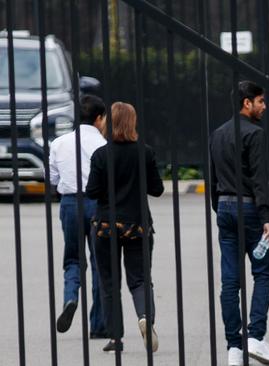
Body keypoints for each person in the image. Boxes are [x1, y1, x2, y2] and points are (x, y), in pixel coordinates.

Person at [86, 102, 164, 353]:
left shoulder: (100, 155)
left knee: (110, 283)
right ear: (132, 122)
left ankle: (115, 337)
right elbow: (157, 189)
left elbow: (92, 191)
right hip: (138, 225)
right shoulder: (146, 152)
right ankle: (144, 316)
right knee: (140, 279)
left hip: (106, 226)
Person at [210, 81, 269, 366]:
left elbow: (212, 178)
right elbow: (260, 180)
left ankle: (234, 348)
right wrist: (266, 217)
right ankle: (255, 337)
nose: (264, 106)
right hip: (249, 208)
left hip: (224, 207)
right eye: (260, 101)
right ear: (246, 103)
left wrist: (219, 208)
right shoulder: (255, 134)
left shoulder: (218, 134)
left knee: (230, 281)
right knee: (262, 274)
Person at [49, 94, 107, 338]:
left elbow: (51, 178)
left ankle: (71, 297)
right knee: (99, 262)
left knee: (73, 259)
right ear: (99, 118)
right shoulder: (104, 145)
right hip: (97, 203)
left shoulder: (59, 143)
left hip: (70, 203)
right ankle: (98, 325)